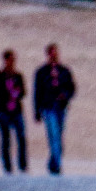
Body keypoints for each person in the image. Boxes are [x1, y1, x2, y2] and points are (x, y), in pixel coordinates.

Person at [33, 44, 75, 175]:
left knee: (58, 137)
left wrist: (65, 95)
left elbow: (72, 88)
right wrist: (37, 111)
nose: (54, 55)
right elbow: (37, 92)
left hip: (61, 108)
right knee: (54, 135)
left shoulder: (64, 71)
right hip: (48, 107)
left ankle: (53, 163)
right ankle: (57, 166)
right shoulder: (41, 72)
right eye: (51, 53)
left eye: (55, 53)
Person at [0, 49, 28, 174]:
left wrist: (17, 93)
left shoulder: (18, 76)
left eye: (13, 60)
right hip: (3, 111)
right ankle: (7, 167)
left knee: (21, 138)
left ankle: (22, 166)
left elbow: (23, 92)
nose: (12, 62)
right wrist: (6, 95)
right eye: (10, 60)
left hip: (16, 111)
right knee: (6, 139)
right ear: (5, 60)